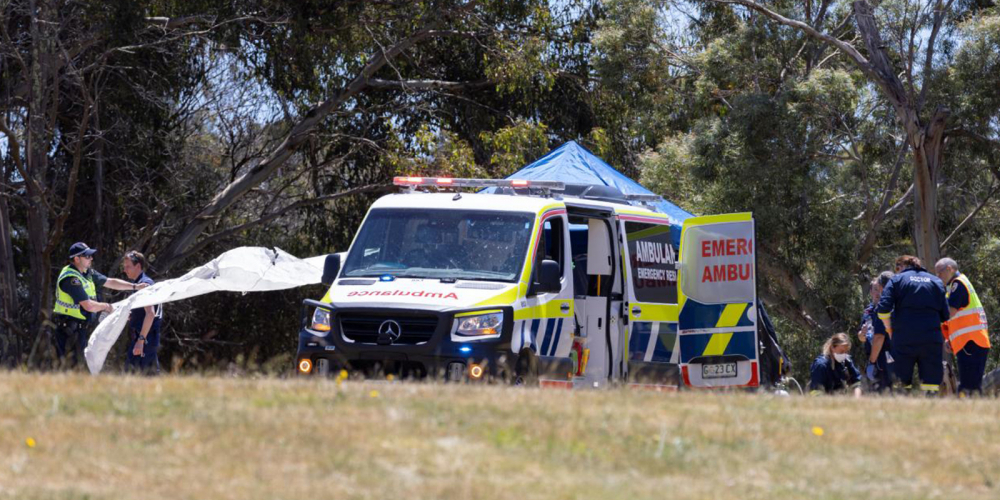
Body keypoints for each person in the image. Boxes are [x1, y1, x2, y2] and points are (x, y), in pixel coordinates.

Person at [52, 242, 147, 369]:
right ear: (76, 259)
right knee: (68, 370)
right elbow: (88, 306)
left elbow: (110, 282)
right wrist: (106, 307)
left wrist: (135, 287)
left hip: (80, 330)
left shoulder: (87, 273)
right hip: (68, 332)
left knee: (79, 369)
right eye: (87, 256)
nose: (91, 258)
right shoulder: (70, 278)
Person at [877, 255, 950, 394]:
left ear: (901, 267)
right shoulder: (936, 281)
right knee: (931, 385)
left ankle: (903, 412)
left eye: (896, 268)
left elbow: (883, 309)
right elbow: (945, 315)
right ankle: (930, 411)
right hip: (931, 339)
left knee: (901, 384)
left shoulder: (897, 280)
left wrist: (889, 329)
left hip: (903, 338)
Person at [935, 258, 991, 395]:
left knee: (968, 386)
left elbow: (950, 312)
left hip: (970, 342)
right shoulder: (958, 284)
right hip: (971, 342)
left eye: (939, 273)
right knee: (971, 385)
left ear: (949, 269)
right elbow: (957, 319)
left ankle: (970, 412)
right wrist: (950, 340)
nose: (938, 276)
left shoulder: (958, 284)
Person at [122, 250, 162, 375]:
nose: (125, 270)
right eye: (124, 267)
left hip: (145, 339)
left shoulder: (145, 284)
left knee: (139, 377)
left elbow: (150, 313)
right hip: (143, 337)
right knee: (139, 376)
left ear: (138, 266)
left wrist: (140, 341)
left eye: (128, 266)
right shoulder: (137, 284)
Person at [859, 271, 894, 392]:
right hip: (872, 355)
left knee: (888, 389)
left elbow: (880, 337)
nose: (877, 292)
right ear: (870, 292)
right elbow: (862, 337)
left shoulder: (887, 308)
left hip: (886, 355)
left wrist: (873, 362)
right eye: (875, 289)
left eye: (879, 289)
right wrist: (862, 334)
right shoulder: (867, 311)